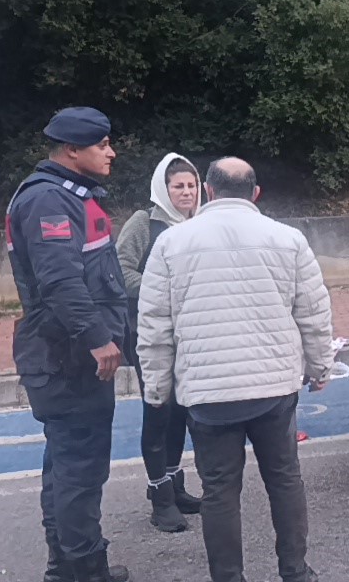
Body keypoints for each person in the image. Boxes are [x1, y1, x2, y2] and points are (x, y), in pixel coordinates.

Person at [136, 157, 334, 582]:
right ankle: (295, 571)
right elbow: (314, 313)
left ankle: (228, 576)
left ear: (207, 191)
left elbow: (154, 325)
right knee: (284, 480)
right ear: (255, 194)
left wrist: (157, 387)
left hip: (208, 394)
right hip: (273, 388)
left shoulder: (171, 244)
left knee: (220, 491)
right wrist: (320, 366)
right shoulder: (289, 239)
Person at [5, 107, 131, 582]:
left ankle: (67, 566)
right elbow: (60, 281)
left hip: (64, 354)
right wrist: (99, 338)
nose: (111, 152)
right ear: (72, 151)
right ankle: (84, 570)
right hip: (68, 357)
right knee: (79, 470)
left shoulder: (68, 195)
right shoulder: (50, 202)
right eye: (102, 145)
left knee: (65, 465)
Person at [115, 152, 204, 532]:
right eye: (178, 186)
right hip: (150, 333)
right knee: (158, 409)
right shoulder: (143, 223)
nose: (186, 192)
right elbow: (119, 270)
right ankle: (159, 497)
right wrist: (163, 292)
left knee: (182, 411)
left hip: (191, 333)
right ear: (162, 189)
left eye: (191, 186)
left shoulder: (203, 223)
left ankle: (176, 484)